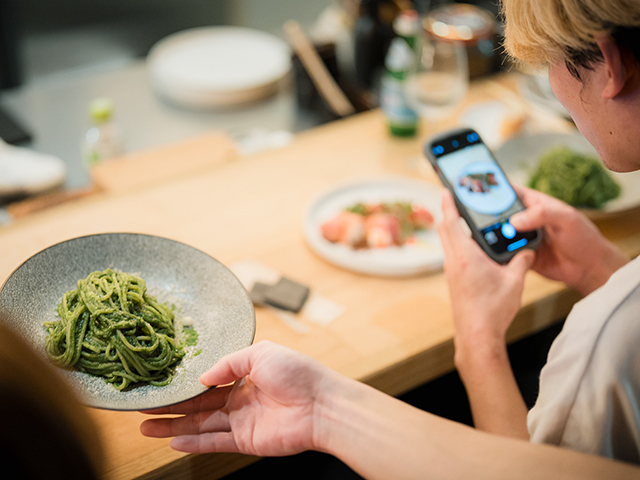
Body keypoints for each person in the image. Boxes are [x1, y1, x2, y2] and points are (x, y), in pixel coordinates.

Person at [140, 0, 640, 476]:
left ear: (611, 65)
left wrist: (478, 340)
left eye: (546, 64)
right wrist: (601, 269)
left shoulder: (608, 340)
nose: (552, 87)